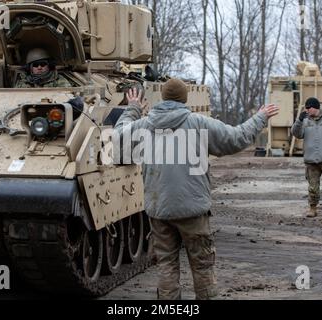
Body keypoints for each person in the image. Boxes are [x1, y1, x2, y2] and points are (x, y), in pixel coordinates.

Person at [114, 78, 279, 300]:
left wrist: (133, 107)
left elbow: (117, 138)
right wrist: (260, 117)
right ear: (185, 98)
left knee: (166, 265)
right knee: (202, 266)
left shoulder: (144, 125)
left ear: (163, 98)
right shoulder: (199, 123)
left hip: (159, 211)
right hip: (193, 212)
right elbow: (237, 138)